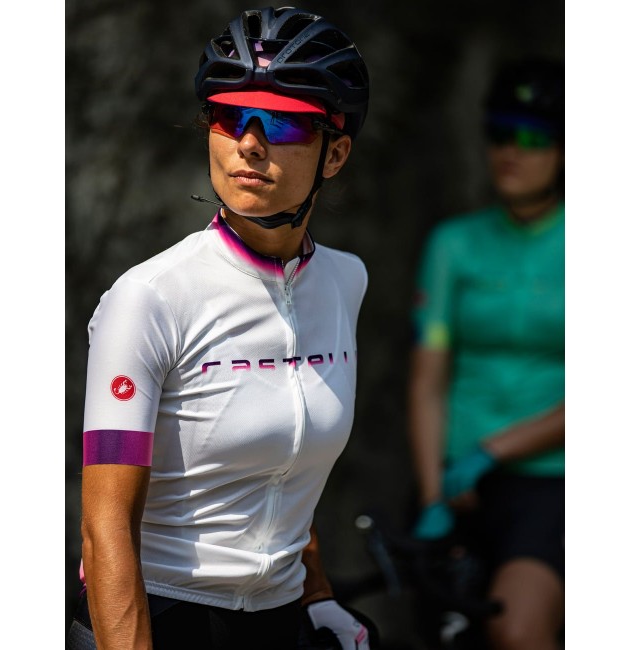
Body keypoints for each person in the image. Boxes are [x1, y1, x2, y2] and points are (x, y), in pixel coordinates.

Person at [67, 6, 374, 649]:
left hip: (280, 617)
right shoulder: (148, 299)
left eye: (284, 122)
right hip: (162, 614)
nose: (251, 143)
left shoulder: (346, 281)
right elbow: (104, 528)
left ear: (337, 152)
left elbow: (284, 470)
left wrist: (318, 596)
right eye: (231, 117)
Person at [407, 58, 565, 650]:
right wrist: (432, 495)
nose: (511, 152)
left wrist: (494, 451)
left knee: (516, 628)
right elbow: (427, 380)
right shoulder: (454, 243)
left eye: (533, 138)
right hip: (456, 485)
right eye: (500, 135)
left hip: (553, 481)